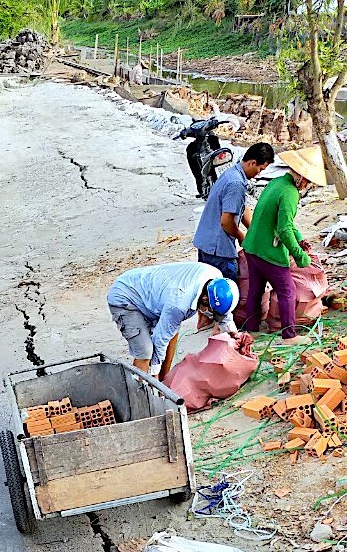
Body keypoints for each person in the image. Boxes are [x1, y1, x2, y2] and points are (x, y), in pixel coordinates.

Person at [241, 145, 328, 340]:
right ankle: (290, 335)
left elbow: (283, 222)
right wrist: (299, 255)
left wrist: (300, 239)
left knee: (256, 289)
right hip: (268, 251)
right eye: (308, 182)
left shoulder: (276, 182)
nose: (307, 186)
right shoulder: (290, 193)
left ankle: (251, 328)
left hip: (252, 246)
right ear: (301, 177)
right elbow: (284, 229)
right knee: (287, 290)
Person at [107, 260, 240, 379]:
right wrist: (154, 375)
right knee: (145, 351)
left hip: (155, 296)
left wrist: (234, 335)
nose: (211, 315)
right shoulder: (179, 304)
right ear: (205, 299)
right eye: (211, 311)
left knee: (172, 332)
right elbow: (160, 340)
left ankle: (165, 381)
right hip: (127, 297)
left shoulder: (216, 281)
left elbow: (223, 315)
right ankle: (137, 392)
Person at [193, 142, 275, 280]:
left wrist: (256, 231)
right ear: (252, 163)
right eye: (260, 169)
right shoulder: (236, 184)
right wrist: (242, 237)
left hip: (206, 244)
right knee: (226, 287)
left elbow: (242, 208)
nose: (258, 174)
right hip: (217, 250)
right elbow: (226, 222)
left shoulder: (232, 174)